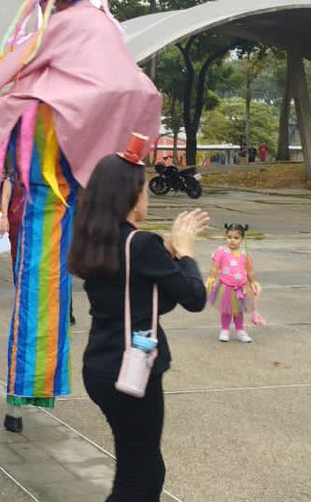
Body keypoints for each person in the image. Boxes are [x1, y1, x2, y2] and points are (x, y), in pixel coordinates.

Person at [0, 0, 162, 432]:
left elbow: (25, 55)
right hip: (116, 119)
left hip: (58, 126)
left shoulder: (60, 22)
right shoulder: (106, 23)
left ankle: (28, 383)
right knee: (94, 241)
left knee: (41, 263)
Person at [70, 141, 208, 501]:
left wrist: (172, 255)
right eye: (145, 187)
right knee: (140, 476)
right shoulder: (141, 244)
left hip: (101, 366)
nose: (148, 194)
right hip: (132, 371)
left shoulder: (93, 240)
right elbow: (194, 299)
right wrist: (186, 253)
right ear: (131, 194)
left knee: (139, 468)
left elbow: (147, 303)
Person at [207, 223, 258, 343]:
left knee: (238, 310)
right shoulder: (221, 251)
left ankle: (240, 330)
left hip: (241, 287)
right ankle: (224, 330)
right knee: (226, 310)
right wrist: (212, 279)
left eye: (236, 238)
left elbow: (249, 270)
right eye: (229, 237)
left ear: (242, 239)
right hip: (226, 286)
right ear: (225, 237)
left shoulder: (245, 254)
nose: (232, 241)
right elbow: (215, 267)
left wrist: (253, 282)